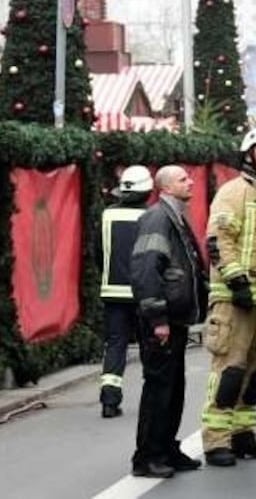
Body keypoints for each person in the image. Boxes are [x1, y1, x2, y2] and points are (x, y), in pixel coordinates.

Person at [200, 127, 256, 467]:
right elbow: (218, 239)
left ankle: (243, 434)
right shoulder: (233, 192)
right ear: (249, 155)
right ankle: (216, 440)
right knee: (229, 369)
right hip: (235, 298)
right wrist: (237, 282)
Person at [128, 165, 207, 478]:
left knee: (174, 388)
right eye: (183, 179)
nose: (191, 182)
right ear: (165, 188)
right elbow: (146, 269)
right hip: (162, 322)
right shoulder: (157, 218)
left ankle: (167, 448)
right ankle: (147, 457)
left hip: (176, 320)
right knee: (159, 389)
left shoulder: (175, 215)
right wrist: (157, 318)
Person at [98, 165, 154, 419]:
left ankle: (109, 399)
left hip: (113, 291)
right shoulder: (152, 217)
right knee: (148, 345)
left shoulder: (106, 216)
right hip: (145, 293)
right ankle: (152, 398)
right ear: (148, 190)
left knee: (116, 344)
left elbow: (98, 253)